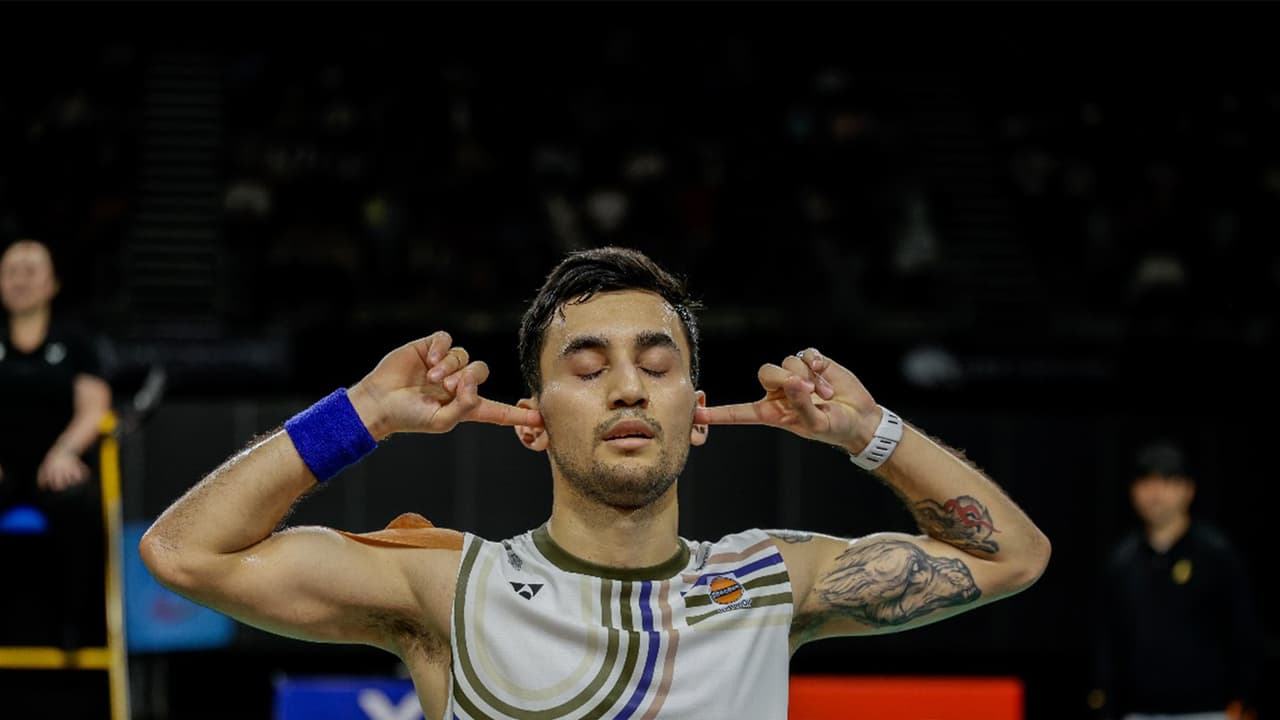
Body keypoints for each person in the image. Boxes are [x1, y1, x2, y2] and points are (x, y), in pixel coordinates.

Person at [140, 246, 1051, 718]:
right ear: (531, 418)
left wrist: (871, 434)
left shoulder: (773, 579)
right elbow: (183, 554)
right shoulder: (449, 587)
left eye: (657, 365)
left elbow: (1012, 557)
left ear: (697, 412)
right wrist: (364, 413)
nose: (627, 388)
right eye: (587, 367)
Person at [1089, 441, 1263, 720]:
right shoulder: (1121, 560)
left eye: (1167, 481)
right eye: (1146, 482)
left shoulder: (1216, 554)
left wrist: (1245, 695)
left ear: (1188, 489)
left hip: (1208, 710)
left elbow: (1243, 629)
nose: (1155, 493)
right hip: (1138, 711)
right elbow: (1107, 641)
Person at [0, 238, 113, 650]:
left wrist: (65, 451)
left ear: (52, 284)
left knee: (79, 503)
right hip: (4, 468)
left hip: (56, 466)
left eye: (31, 271)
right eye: (11, 271)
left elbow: (94, 408)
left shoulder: (75, 342)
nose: (21, 280)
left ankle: (74, 625)